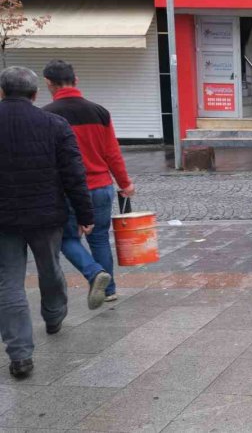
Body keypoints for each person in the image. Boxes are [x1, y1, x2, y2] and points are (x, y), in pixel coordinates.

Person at [0, 67, 94, 379]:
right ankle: (54, 316)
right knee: (49, 267)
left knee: (9, 282)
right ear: (35, 93)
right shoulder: (54, 124)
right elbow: (73, 174)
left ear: (1, 92)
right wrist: (85, 214)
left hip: (4, 220)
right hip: (46, 215)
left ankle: (20, 354)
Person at [43, 61, 134, 306]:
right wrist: (125, 183)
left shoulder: (47, 115)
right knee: (100, 238)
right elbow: (112, 153)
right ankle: (109, 289)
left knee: (68, 239)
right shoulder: (99, 111)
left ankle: (94, 273)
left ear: (48, 83)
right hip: (101, 186)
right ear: (76, 80)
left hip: (68, 189)